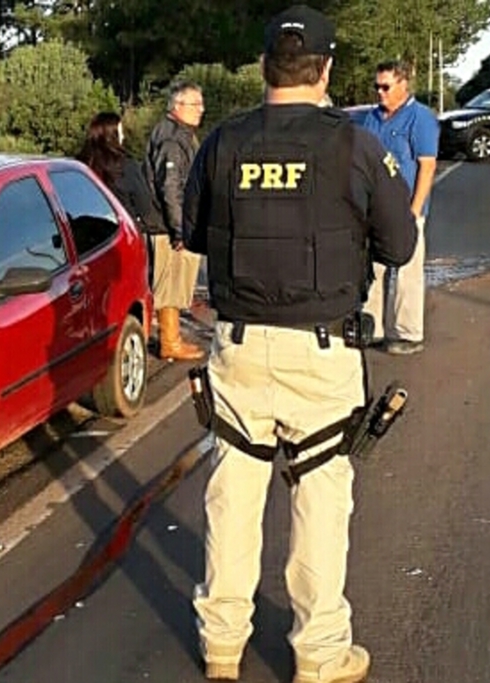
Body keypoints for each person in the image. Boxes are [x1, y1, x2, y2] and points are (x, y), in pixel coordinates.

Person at [182, 5, 417, 682]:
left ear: (264, 69)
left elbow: (194, 232)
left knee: (233, 497)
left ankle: (221, 645)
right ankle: (319, 655)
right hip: (322, 352)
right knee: (318, 504)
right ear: (327, 70)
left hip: (237, 346)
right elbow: (399, 243)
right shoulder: (354, 144)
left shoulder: (223, 142)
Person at [358, 60, 439, 355]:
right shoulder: (371, 119)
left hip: (405, 210)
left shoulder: (421, 119)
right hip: (374, 211)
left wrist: (414, 211)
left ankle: (407, 332)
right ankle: (373, 328)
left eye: (386, 86)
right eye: (376, 86)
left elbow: (427, 167)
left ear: (403, 85)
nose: (380, 92)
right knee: (372, 271)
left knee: (406, 272)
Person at [144, 80, 207, 361]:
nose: (201, 109)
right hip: (168, 226)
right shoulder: (172, 139)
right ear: (177, 106)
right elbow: (170, 188)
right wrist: (181, 230)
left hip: (171, 222)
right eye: (195, 104)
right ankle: (169, 341)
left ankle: (172, 338)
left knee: (173, 284)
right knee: (169, 285)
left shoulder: (178, 134)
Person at [76, 112, 163, 234]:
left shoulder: (79, 167)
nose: (123, 137)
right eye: (120, 133)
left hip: (84, 237)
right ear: (112, 136)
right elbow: (144, 207)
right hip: (122, 234)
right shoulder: (127, 167)